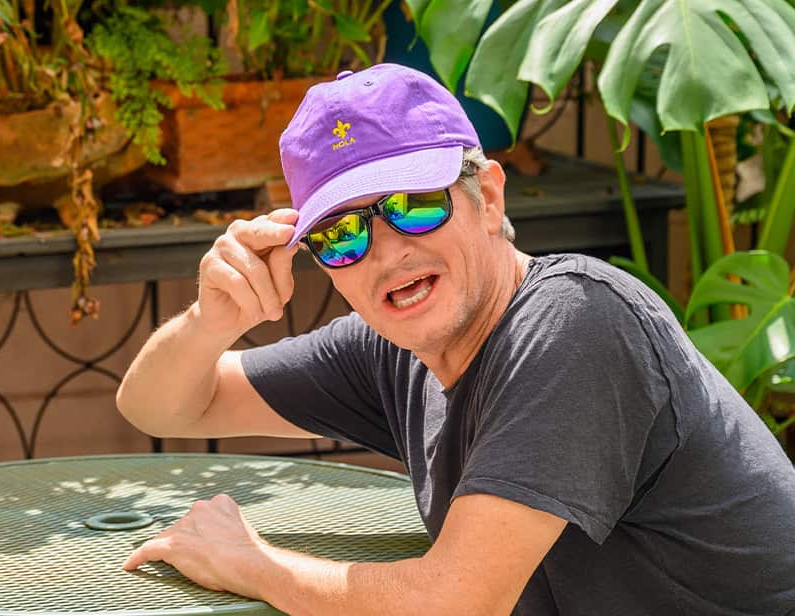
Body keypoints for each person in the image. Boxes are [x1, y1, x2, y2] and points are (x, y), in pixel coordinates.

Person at [115, 63, 795, 614]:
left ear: (488, 198)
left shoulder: (577, 320)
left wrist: (253, 566)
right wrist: (213, 321)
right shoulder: (392, 349)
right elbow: (161, 407)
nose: (384, 251)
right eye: (341, 235)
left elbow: (456, 601)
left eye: (415, 204)